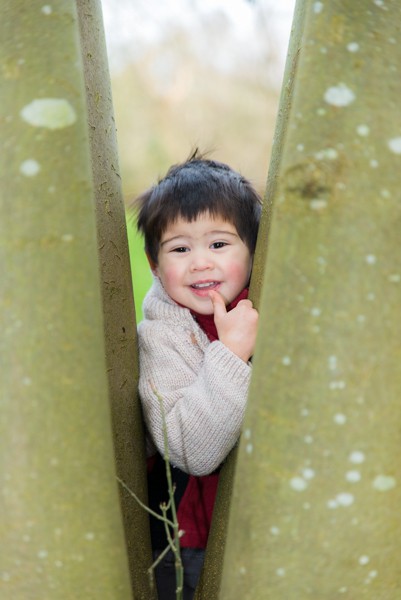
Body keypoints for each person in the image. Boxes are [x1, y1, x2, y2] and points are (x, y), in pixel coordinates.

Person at [133, 150, 261, 600]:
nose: (200, 262)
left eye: (219, 244)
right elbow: (189, 448)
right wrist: (230, 353)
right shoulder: (163, 335)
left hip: (270, 525)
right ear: (153, 264)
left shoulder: (269, 305)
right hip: (190, 543)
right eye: (180, 248)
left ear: (254, 249)